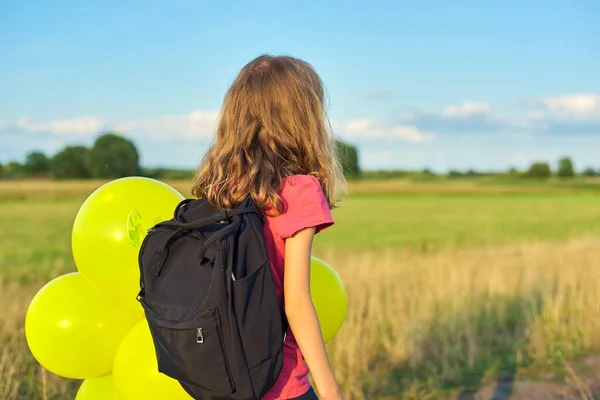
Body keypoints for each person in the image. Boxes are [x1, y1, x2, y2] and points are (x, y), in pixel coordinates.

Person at [190, 54, 346, 400]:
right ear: (302, 117)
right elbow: (297, 303)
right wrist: (331, 391)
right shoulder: (298, 190)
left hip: (219, 377)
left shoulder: (218, 187)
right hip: (279, 381)